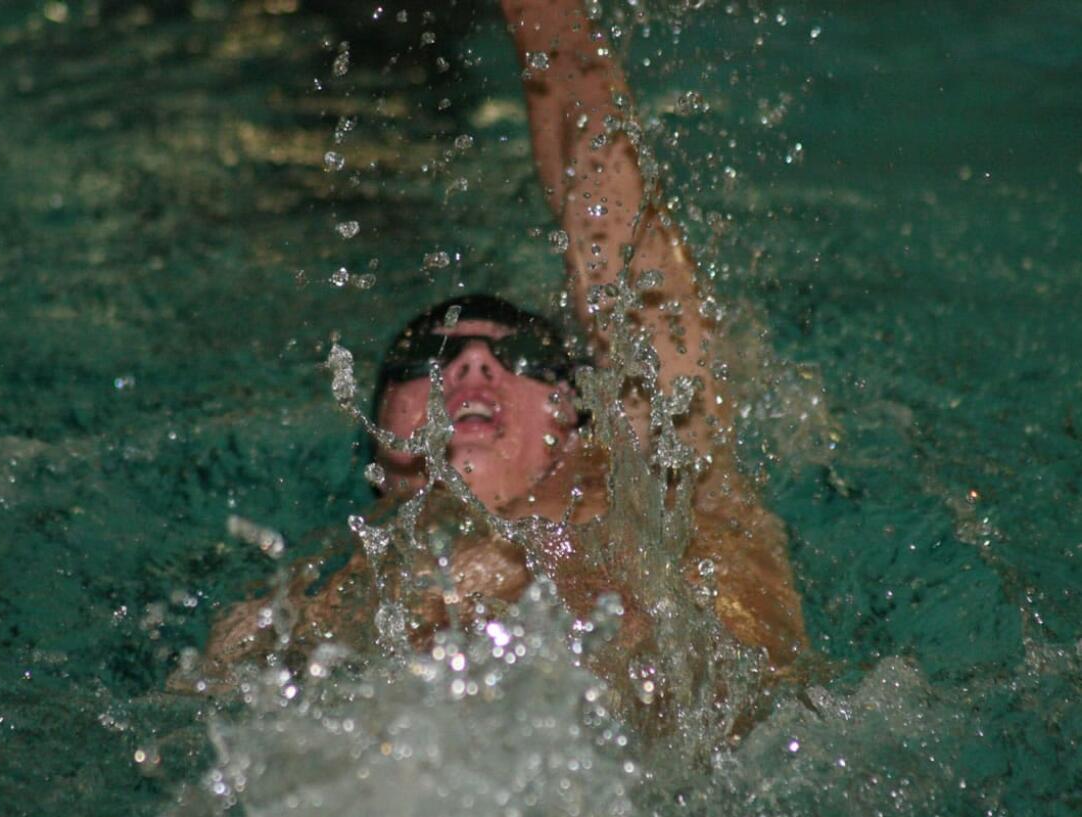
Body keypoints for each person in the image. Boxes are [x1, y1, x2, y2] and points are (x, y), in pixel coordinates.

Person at [186, 0, 807, 708]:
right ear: (378, 445)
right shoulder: (312, 596)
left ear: (577, 413)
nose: (473, 366)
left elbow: (611, 226)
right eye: (428, 352)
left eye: (526, 354)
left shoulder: (654, 473)